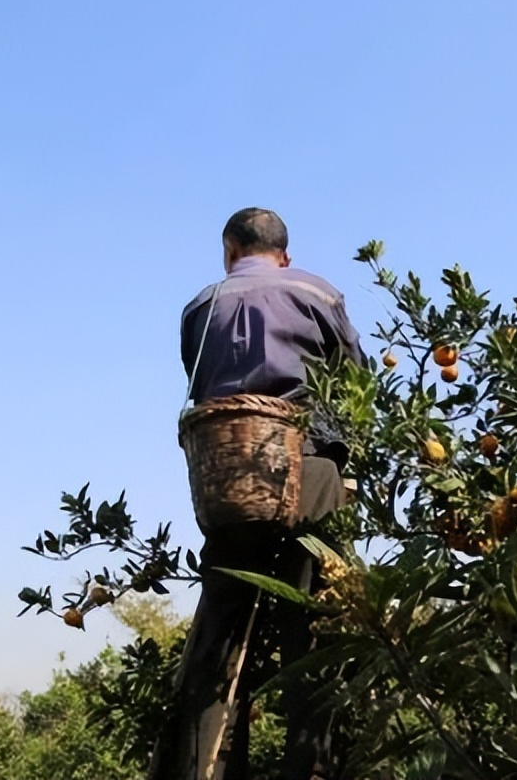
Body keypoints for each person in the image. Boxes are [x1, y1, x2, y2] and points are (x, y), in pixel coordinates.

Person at [149, 207, 364, 780]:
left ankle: (196, 768)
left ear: (229, 251)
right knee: (313, 617)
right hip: (309, 463)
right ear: (284, 254)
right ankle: (314, 767)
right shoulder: (319, 293)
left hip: (230, 475)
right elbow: (354, 382)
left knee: (221, 624)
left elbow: (199, 386)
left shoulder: (202, 304)